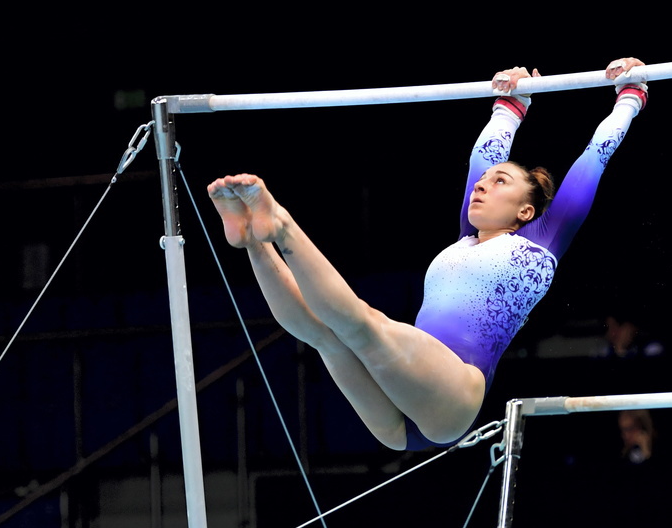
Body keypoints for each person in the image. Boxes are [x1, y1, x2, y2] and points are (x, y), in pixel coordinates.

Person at [207, 58, 649, 451]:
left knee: (361, 326)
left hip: (450, 391)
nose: (481, 185)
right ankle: (254, 240)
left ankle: (280, 224)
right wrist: (511, 105)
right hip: (426, 399)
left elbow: (596, 155)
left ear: (526, 210)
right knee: (325, 334)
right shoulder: (465, 235)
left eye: (500, 183)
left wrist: (631, 95)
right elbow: (484, 153)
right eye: (484, 180)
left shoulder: (543, 241)